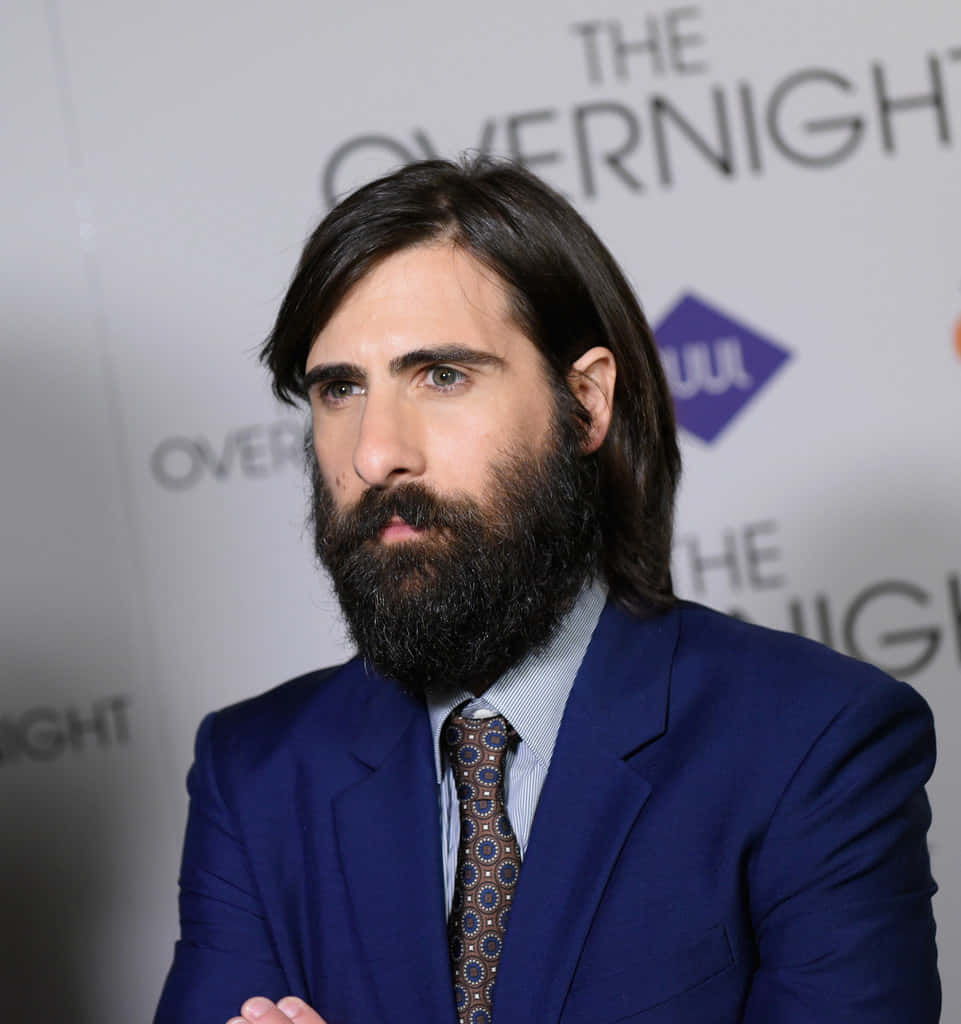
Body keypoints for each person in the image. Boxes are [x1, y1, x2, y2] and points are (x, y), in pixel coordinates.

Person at [154, 157, 940, 1024]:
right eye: (340, 389)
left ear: (587, 402)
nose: (375, 452)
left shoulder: (814, 743)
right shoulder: (255, 772)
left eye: (441, 376)